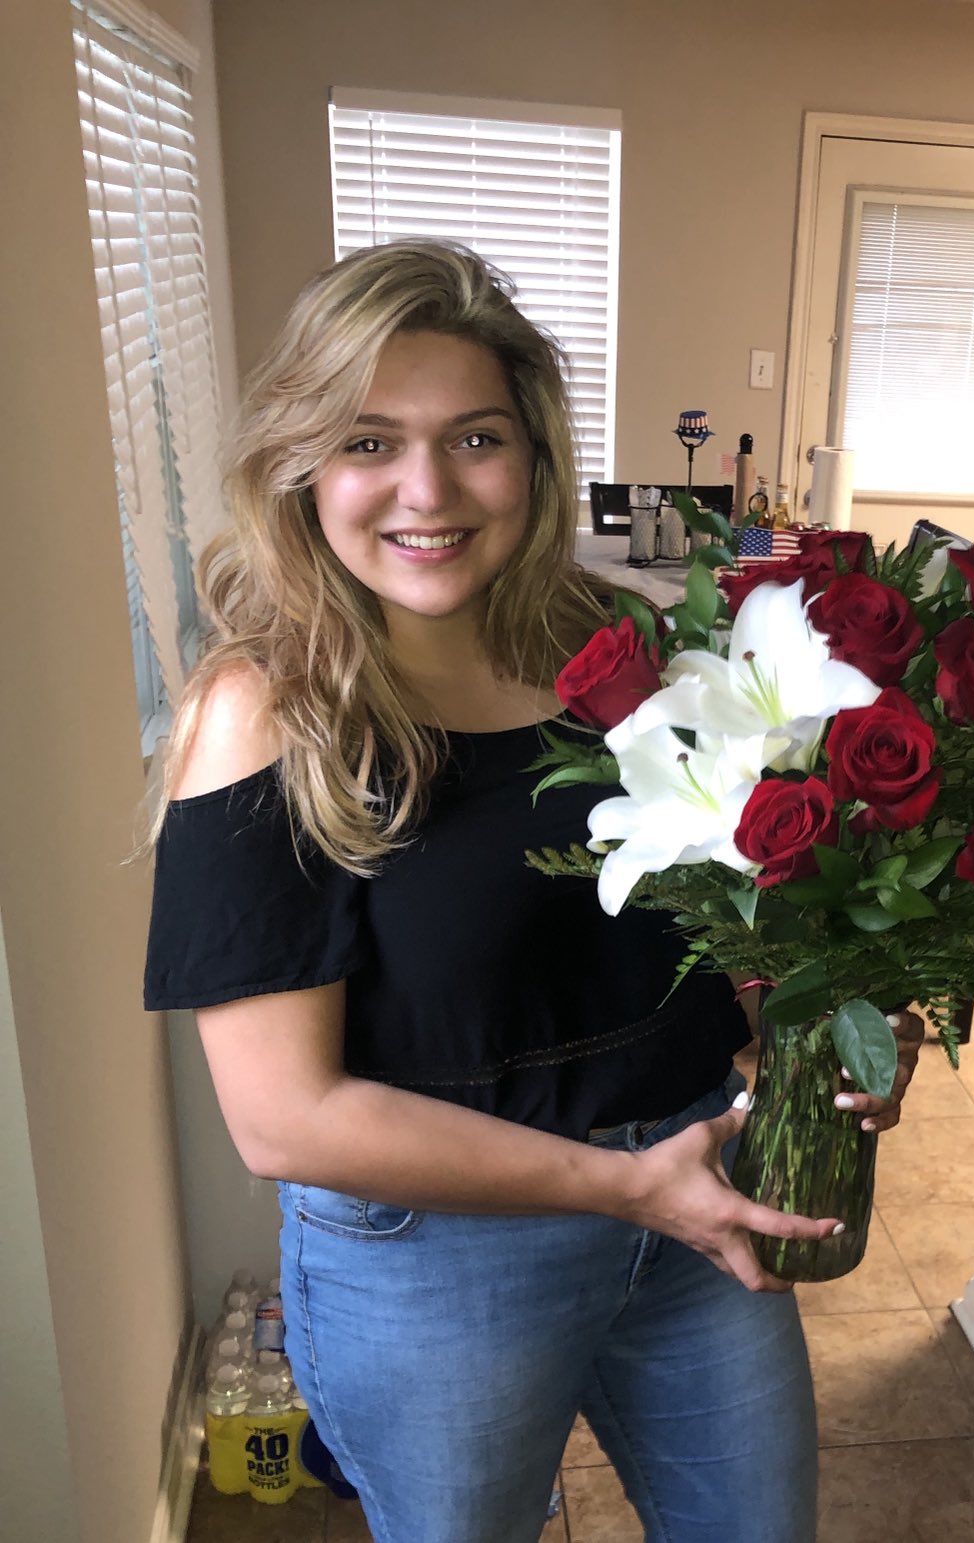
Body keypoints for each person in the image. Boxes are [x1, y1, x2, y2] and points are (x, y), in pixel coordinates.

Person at [143, 239, 921, 1543]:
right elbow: (284, 1119)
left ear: (535, 456)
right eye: (368, 441)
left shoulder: (598, 646)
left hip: (695, 1190)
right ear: (302, 467)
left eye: (476, 438)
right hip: (437, 1266)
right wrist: (621, 1188)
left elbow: (694, 922)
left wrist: (821, 1026)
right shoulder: (266, 712)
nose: (427, 489)